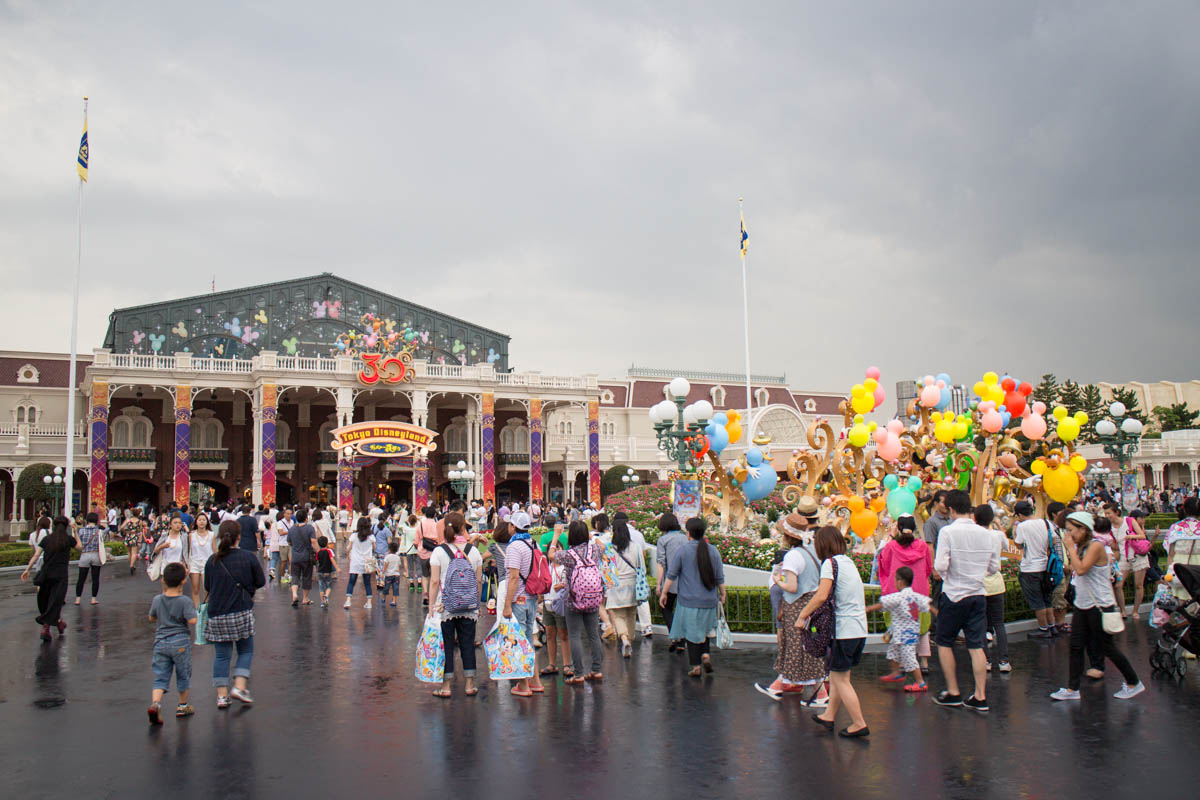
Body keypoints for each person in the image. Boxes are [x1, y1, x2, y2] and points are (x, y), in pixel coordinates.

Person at [1050, 512, 1144, 701]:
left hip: (1099, 605)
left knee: (1106, 647)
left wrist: (1070, 548)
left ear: (1083, 529)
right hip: (1083, 605)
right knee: (1076, 646)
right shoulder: (1083, 546)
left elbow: (1081, 569)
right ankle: (1072, 689)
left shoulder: (1095, 546)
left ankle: (1134, 682)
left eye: (1071, 530)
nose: (1069, 534)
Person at [793, 526, 870, 736]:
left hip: (843, 631)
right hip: (858, 629)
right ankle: (829, 715)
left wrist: (802, 616)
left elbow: (821, 595)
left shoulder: (830, 563)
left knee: (841, 680)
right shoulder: (848, 562)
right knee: (838, 677)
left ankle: (859, 723)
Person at [931, 489, 998, 712]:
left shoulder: (948, 532)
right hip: (978, 594)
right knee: (976, 645)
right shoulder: (988, 534)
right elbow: (993, 568)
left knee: (944, 642)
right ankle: (980, 696)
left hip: (953, 594)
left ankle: (953, 692)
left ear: (950, 509)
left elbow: (940, 566)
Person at [755, 510, 829, 703]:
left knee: (796, 646)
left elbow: (792, 586)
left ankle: (794, 688)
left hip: (797, 606)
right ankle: (783, 686)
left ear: (788, 535)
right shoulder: (813, 549)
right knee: (806, 646)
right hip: (813, 605)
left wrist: (777, 581)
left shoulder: (793, 556)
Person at [204, 521, 266, 708]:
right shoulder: (248, 558)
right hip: (240, 610)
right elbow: (261, 581)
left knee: (222, 656)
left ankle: (222, 696)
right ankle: (239, 686)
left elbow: (208, 587)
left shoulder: (213, 560)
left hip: (217, 613)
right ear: (239, 536)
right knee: (245, 650)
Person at [661, 517, 726, 677]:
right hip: (709, 600)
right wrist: (723, 593)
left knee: (691, 633)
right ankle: (705, 654)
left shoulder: (683, 551)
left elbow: (672, 574)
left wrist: (664, 592)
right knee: (704, 630)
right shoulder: (713, 550)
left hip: (688, 601)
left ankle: (696, 666)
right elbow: (719, 577)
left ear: (688, 533)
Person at [429, 513, 483, 698]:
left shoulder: (439, 551)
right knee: (468, 643)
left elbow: (435, 581)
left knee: (447, 646)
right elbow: (478, 580)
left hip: (445, 606)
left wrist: (431, 605)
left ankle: (446, 686)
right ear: (462, 528)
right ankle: (469, 684)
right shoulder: (473, 551)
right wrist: (475, 601)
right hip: (469, 605)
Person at [876, 514, 934, 671]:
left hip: (897, 593)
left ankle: (902, 662)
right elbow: (928, 568)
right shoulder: (923, 547)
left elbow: (884, 567)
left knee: (900, 627)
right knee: (922, 628)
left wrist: (890, 535)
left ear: (898, 528)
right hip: (919, 592)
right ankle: (924, 663)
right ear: (914, 527)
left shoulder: (891, 547)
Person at [147, 562, 198, 724]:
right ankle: (182, 705)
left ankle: (156, 703)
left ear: (163, 581)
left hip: (161, 641)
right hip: (180, 641)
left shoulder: (157, 599)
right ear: (184, 581)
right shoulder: (185, 601)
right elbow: (192, 620)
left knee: (161, 675)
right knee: (183, 674)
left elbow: (151, 618)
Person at [502, 510, 546, 696]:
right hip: (532, 598)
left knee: (519, 642)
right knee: (528, 640)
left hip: (519, 599)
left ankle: (523, 684)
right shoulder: (533, 542)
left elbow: (513, 577)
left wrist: (506, 604)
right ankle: (535, 680)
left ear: (513, 526)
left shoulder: (514, 547)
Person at [556, 520, 606, 684]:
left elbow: (551, 555)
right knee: (593, 634)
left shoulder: (569, 555)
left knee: (575, 635)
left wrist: (556, 536)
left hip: (574, 599)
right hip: (593, 598)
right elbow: (603, 545)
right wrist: (592, 537)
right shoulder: (595, 550)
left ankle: (579, 673)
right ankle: (597, 670)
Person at [867, 565, 929, 692]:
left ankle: (920, 682)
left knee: (909, 659)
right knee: (893, 653)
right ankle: (896, 673)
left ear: (899, 582)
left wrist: (867, 609)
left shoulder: (898, 596)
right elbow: (927, 605)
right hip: (907, 633)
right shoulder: (915, 596)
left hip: (904, 635)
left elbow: (882, 604)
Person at [20, 516, 75, 641]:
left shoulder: (47, 539)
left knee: (49, 600)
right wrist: (75, 531)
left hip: (46, 573)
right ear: (66, 526)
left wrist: (27, 569)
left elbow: (36, 554)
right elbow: (80, 547)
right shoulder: (68, 539)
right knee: (56, 600)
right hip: (60, 575)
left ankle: (58, 623)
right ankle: (47, 626)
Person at [602, 515, 646, 658]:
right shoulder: (635, 546)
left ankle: (624, 638)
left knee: (619, 615)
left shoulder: (609, 548)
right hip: (632, 583)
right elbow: (641, 566)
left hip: (616, 584)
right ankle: (630, 640)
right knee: (631, 613)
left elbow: (607, 569)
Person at [975, 504, 1011, 673]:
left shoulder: (974, 536)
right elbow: (1006, 545)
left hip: (980, 584)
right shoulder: (997, 535)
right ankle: (1004, 661)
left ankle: (986, 661)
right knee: (999, 624)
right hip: (996, 582)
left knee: (981, 624)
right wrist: (998, 525)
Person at [1012, 500, 1055, 638]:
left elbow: (1018, 545)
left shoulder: (1022, 526)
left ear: (1019, 514)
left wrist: (1014, 532)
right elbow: (1053, 540)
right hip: (1045, 566)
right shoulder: (1045, 522)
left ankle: (1043, 629)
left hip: (1030, 568)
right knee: (1046, 598)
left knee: (1037, 601)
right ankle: (1051, 626)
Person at [1103, 502, 1149, 620]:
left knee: (1138, 585)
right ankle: (1123, 611)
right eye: (1105, 513)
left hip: (1137, 554)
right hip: (1124, 556)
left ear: (1116, 513)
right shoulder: (1110, 528)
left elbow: (1142, 536)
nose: (1107, 516)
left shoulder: (1129, 521)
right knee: (1118, 585)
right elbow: (1114, 545)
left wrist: (1131, 537)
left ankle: (1135, 611)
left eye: (1109, 513)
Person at [654, 513, 688, 653]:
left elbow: (661, 564)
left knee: (666, 608)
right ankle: (682, 641)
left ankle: (675, 636)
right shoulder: (685, 538)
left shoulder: (663, 540)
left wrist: (659, 585)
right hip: (686, 581)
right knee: (683, 611)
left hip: (670, 581)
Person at [923, 490, 951, 614]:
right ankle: (934, 631)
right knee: (937, 601)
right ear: (936, 503)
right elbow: (930, 546)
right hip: (939, 568)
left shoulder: (952, 520)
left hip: (951, 567)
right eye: (943, 503)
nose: (946, 505)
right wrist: (934, 568)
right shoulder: (931, 522)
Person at [73, 511, 105, 606]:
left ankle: (78, 599)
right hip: (96, 555)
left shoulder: (81, 531)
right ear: (96, 520)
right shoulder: (100, 531)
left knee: (81, 579)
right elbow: (107, 532)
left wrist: (75, 530)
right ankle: (93, 599)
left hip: (85, 555)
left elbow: (78, 543)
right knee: (95, 578)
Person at [288, 508, 318, 607]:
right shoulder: (309, 528)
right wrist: (319, 551)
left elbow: (289, 542)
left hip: (295, 556)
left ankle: (294, 594)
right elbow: (313, 541)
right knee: (306, 576)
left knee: (295, 576)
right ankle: (305, 598)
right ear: (306, 518)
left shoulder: (292, 529)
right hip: (306, 557)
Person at [344, 517, 376, 609]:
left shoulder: (354, 536)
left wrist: (347, 554)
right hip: (367, 562)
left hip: (355, 561)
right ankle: (369, 602)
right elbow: (374, 547)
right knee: (367, 583)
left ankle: (348, 601)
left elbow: (348, 548)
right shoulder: (371, 537)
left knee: (351, 582)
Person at [188, 512, 215, 607]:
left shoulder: (211, 535)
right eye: (199, 520)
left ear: (207, 522)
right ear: (196, 522)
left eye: (204, 520)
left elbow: (215, 551)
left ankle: (205, 608)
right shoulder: (191, 535)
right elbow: (189, 550)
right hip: (194, 562)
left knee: (206, 588)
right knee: (195, 588)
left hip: (207, 563)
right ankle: (197, 609)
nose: (202, 522)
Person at [415, 506, 440, 603]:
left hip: (423, 551)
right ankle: (433, 594)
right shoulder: (436, 525)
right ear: (434, 515)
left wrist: (417, 545)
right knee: (434, 574)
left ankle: (425, 594)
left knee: (425, 575)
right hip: (434, 551)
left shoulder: (420, 524)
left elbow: (417, 539)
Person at [315, 535, 338, 608]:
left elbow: (317, 562)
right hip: (328, 571)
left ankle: (322, 602)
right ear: (327, 543)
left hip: (320, 571)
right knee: (329, 586)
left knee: (321, 587)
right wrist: (337, 568)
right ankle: (326, 595)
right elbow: (332, 560)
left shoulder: (318, 552)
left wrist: (316, 572)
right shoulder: (329, 551)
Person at [398, 513, 419, 590]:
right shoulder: (418, 529)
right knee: (418, 566)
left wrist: (405, 520)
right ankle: (419, 582)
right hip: (417, 550)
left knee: (410, 567)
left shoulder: (406, 529)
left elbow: (400, 526)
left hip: (409, 550)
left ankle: (411, 583)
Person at [121, 509, 146, 574]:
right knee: (134, 552)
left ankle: (131, 565)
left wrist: (126, 531)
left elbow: (121, 527)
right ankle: (132, 565)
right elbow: (140, 530)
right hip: (134, 536)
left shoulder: (128, 520)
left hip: (128, 536)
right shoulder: (140, 521)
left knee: (129, 552)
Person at [274, 507, 294, 585]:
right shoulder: (280, 522)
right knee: (284, 561)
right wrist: (289, 531)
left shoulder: (292, 522)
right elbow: (281, 533)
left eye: (290, 514)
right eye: (287, 514)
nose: (289, 515)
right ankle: (282, 576)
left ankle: (289, 575)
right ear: (284, 514)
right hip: (283, 544)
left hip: (290, 543)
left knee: (291, 561)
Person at [383, 540, 403, 606]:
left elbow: (385, 565)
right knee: (395, 588)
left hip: (388, 574)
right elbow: (399, 565)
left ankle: (384, 598)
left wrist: (383, 572)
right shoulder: (398, 557)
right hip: (396, 575)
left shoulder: (387, 557)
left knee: (386, 587)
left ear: (389, 549)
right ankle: (394, 601)